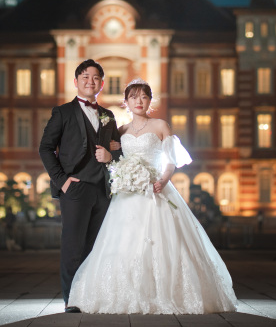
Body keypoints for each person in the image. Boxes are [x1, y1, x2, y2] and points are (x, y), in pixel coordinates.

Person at [67, 79, 237, 314]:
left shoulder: (160, 125)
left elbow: (170, 160)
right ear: (126, 102)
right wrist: (115, 164)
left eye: (144, 97)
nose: (139, 101)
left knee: (165, 242)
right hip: (128, 194)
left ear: (150, 101)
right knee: (123, 243)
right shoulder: (121, 131)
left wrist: (164, 179)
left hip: (156, 188)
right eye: (134, 97)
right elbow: (116, 160)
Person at [39, 59, 122, 313]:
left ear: (102, 83)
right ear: (76, 81)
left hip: (102, 190)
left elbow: (119, 152)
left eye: (95, 77)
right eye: (85, 77)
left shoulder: (108, 116)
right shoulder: (63, 112)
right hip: (75, 188)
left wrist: (111, 156)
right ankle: (72, 300)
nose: (90, 81)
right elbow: (45, 148)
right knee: (73, 246)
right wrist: (62, 181)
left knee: (96, 246)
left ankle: (91, 296)